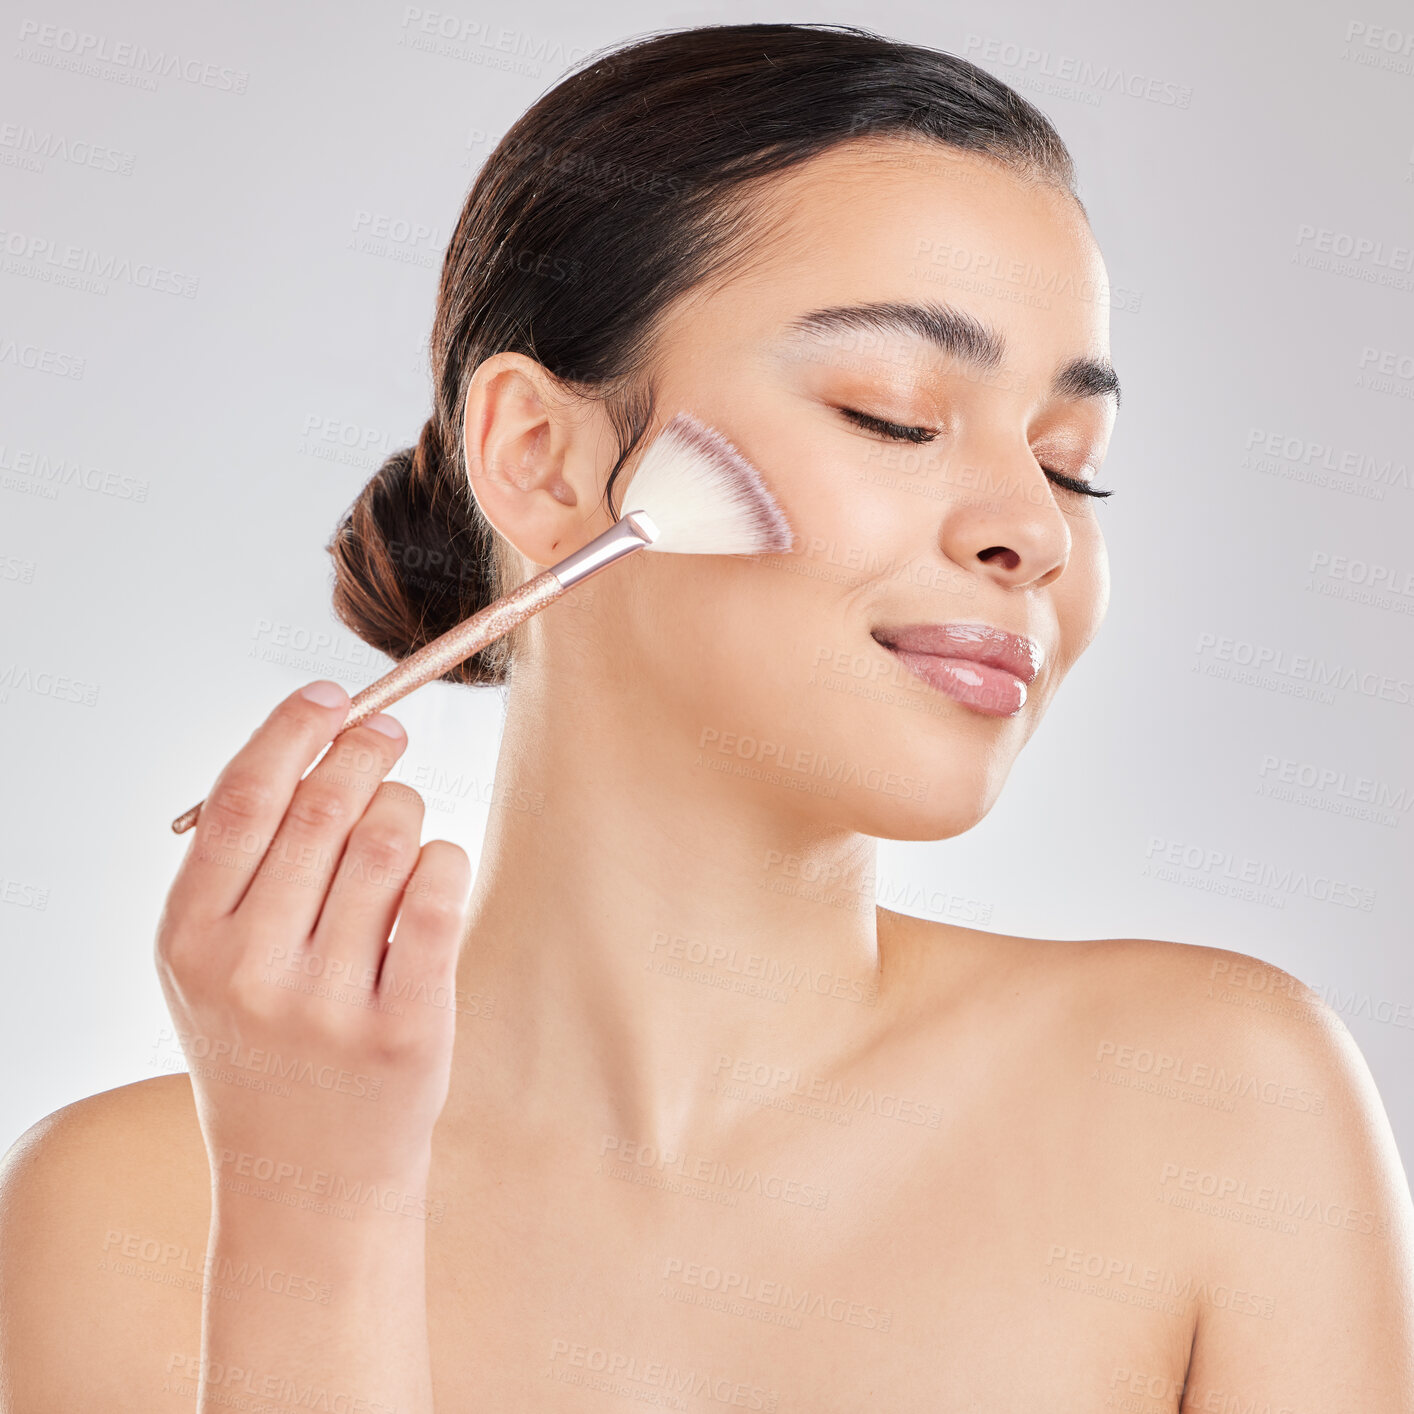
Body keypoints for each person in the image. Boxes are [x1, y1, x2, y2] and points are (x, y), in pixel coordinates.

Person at [2, 21, 1409, 1412]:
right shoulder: (110, 1223)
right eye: (892, 412)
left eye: (1069, 462)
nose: (1031, 529)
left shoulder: (1213, 1109)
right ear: (542, 460)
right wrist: (311, 1210)